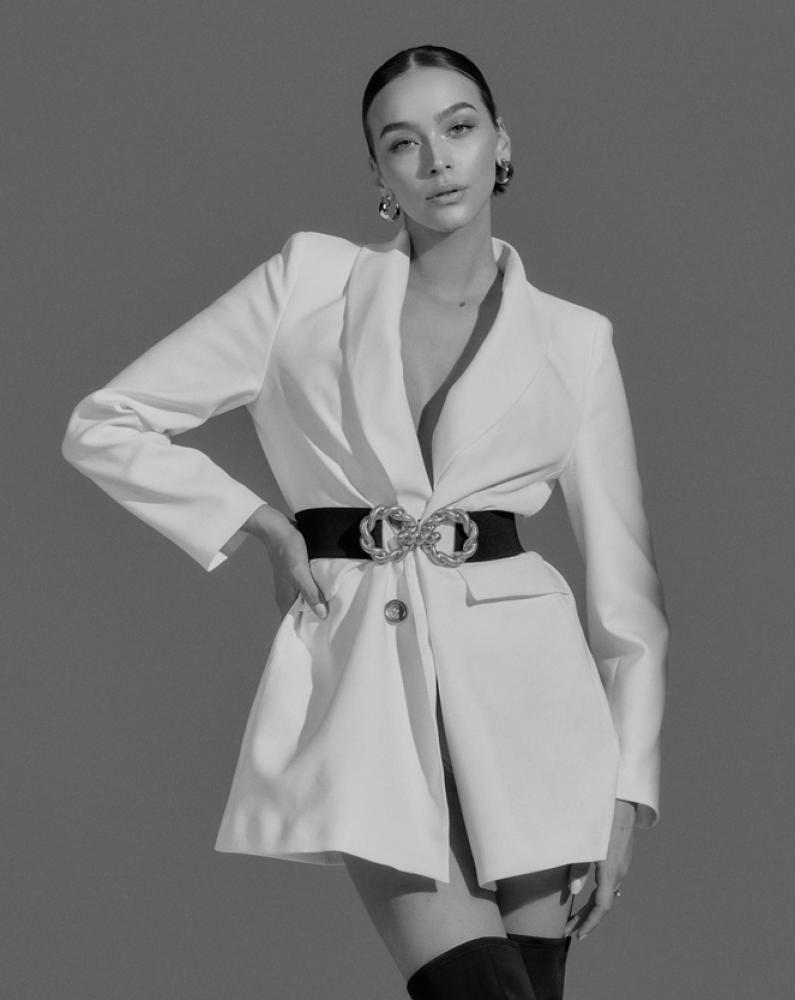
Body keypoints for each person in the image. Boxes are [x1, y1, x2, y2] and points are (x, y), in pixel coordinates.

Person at [61, 44, 668, 1000]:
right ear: (380, 174)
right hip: (367, 690)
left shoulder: (575, 340)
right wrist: (263, 523)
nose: (438, 159)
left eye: (459, 127)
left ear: (501, 144)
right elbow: (106, 423)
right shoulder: (307, 284)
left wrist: (630, 788)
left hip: (536, 714)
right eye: (403, 142)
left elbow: (627, 591)